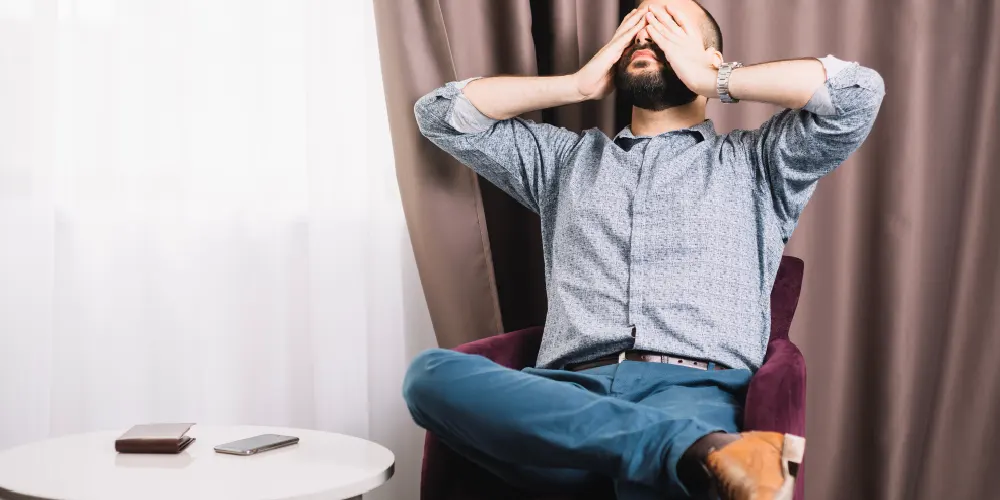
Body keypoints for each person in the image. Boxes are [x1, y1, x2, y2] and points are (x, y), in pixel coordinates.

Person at [403, 0, 884, 498]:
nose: (645, 38)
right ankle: (687, 454)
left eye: (668, 28)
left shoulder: (758, 163)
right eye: (635, 30)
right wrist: (576, 85)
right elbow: (440, 115)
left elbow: (857, 93)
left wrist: (716, 80)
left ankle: (677, 452)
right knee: (429, 377)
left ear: (711, 59)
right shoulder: (563, 162)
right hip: (566, 402)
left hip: (694, 394)